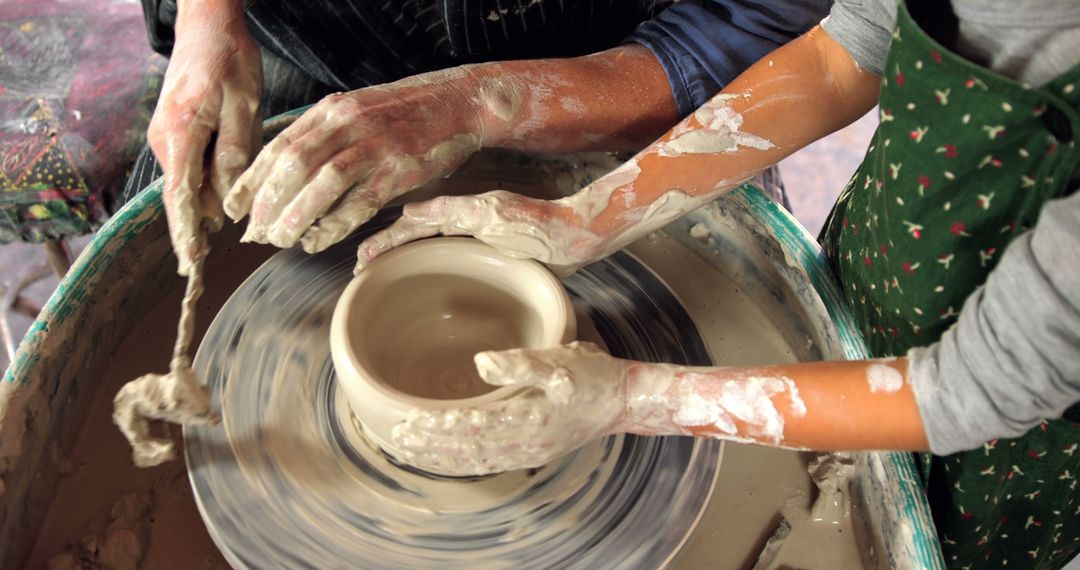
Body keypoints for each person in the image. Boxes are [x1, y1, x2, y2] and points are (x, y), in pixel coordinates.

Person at [336, 0, 1079, 568]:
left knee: (934, 533)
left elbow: (979, 389)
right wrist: (590, 216)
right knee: (831, 336)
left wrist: (633, 399)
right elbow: (836, 59)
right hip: (909, 248)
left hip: (1019, 434)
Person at [135, 0, 830, 276]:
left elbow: (758, 25)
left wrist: (481, 103)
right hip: (319, 35)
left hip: (607, 59)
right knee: (181, 237)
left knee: (741, 274)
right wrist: (206, 20)